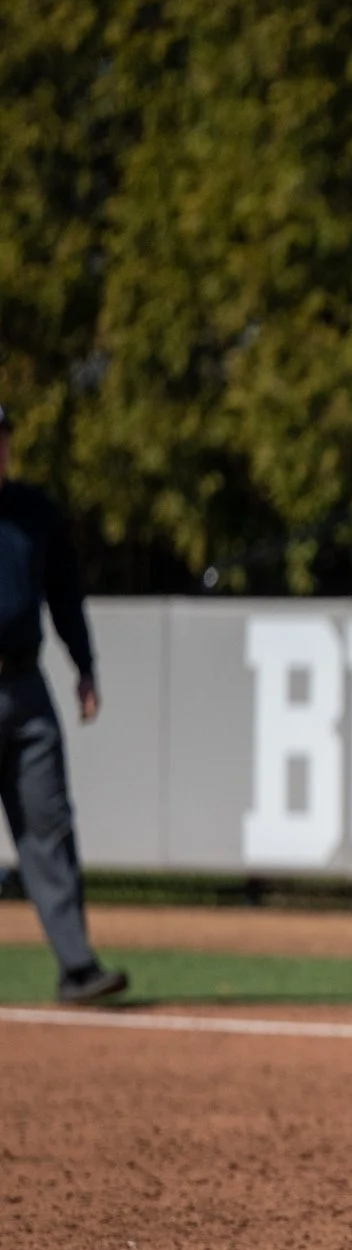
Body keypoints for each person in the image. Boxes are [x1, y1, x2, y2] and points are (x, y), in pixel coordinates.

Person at [0, 404, 124, 1005]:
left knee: (49, 825)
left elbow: (65, 594)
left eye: (1, 437)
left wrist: (85, 665)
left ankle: (77, 967)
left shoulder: (32, 514)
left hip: (26, 688)